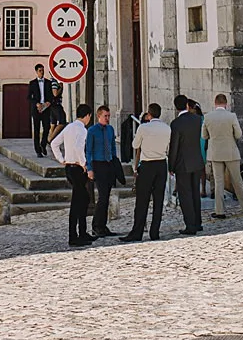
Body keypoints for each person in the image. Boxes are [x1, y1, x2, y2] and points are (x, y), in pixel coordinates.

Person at [120, 102, 171, 242]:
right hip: (161, 164)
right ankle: (155, 232)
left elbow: (135, 145)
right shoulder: (167, 128)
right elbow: (169, 147)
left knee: (142, 200)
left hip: (147, 165)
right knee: (158, 200)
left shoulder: (143, 128)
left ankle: (137, 232)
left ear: (149, 114)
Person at [202, 93, 243, 218]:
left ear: (215, 103)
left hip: (215, 153)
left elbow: (204, 136)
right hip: (230, 152)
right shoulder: (231, 116)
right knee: (237, 181)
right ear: (226, 104)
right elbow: (238, 134)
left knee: (218, 183)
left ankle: (219, 211)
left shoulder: (208, 117)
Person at [52, 102, 95, 247]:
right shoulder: (82, 130)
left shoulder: (69, 127)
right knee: (79, 201)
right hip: (77, 168)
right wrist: (84, 164)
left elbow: (54, 143)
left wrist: (61, 159)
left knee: (83, 199)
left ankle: (82, 232)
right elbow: (78, 147)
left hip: (69, 167)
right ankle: (74, 235)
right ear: (88, 116)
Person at [168, 94, 205, 235]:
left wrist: (171, 166)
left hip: (183, 164)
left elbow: (174, 147)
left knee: (185, 195)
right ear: (187, 105)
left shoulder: (176, 124)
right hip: (196, 160)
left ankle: (190, 225)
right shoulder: (197, 120)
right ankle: (198, 222)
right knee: (195, 193)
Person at [85, 105, 119, 238]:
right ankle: (96, 225)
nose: (107, 118)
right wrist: (90, 168)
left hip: (108, 164)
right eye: (105, 116)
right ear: (99, 116)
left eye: (109, 116)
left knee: (106, 196)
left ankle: (103, 225)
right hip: (98, 164)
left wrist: (115, 162)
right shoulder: (92, 131)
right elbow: (88, 150)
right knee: (102, 197)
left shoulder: (110, 129)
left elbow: (112, 146)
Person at [28, 64, 57, 157]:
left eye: (43, 70)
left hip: (46, 108)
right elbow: (29, 97)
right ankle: (38, 151)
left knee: (47, 127)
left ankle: (43, 145)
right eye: (40, 70)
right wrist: (37, 104)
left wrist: (48, 102)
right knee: (36, 130)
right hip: (36, 109)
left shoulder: (48, 83)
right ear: (36, 72)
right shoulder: (32, 83)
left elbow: (52, 96)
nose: (42, 72)